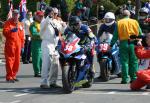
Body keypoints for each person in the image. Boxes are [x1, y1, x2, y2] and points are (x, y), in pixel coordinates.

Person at [109, 10, 143, 84]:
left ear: (122, 15)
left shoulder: (119, 22)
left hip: (123, 43)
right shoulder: (135, 22)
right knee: (134, 61)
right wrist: (139, 41)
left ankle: (125, 79)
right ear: (129, 15)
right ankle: (134, 78)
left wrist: (111, 45)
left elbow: (115, 36)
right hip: (133, 43)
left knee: (124, 62)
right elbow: (140, 33)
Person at [40, 7, 61, 88]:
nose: (54, 14)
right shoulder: (44, 21)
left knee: (55, 63)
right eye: (52, 13)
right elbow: (45, 23)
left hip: (55, 45)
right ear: (48, 13)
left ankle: (53, 81)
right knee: (47, 63)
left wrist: (63, 25)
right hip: (47, 44)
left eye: (55, 13)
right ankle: (44, 82)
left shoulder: (55, 21)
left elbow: (61, 30)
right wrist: (49, 17)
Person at [3, 9, 25, 83]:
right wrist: (10, 31)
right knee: (10, 60)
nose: (16, 15)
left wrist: (22, 44)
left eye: (17, 14)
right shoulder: (8, 22)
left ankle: (14, 75)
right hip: (10, 44)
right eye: (14, 14)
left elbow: (22, 36)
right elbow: (4, 33)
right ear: (12, 14)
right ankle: (9, 76)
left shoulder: (20, 24)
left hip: (18, 44)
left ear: (19, 15)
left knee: (17, 61)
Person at [96, 12, 120, 78]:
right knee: (100, 54)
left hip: (115, 41)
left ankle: (119, 69)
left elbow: (119, 34)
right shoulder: (103, 26)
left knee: (118, 54)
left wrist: (118, 40)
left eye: (109, 20)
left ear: (113, 19)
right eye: (106, 19)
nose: (107, 21)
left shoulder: (116, 25)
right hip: (106, 41)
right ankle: (102, 72)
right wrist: (97, 41)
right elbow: (99, 35)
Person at [29, 11, 44, 77]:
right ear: (35, 16)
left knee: (42, 57)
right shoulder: (33, 24)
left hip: (42, 42)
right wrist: (42, 35)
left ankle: (42, 70)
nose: (41, 17)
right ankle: (37, 72)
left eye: (42, 16)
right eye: (39, 16)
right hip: (36, 42)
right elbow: (34, 34)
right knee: (36, 57)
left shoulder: (43, 24)